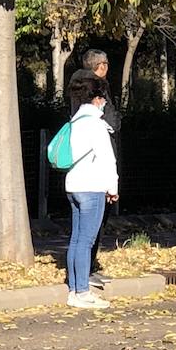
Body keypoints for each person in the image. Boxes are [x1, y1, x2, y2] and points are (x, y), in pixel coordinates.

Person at [64, 72, 118, 309]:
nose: (104, 101)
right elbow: (108, 159)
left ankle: (74, 288)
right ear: (97, 98)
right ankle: (83, 292)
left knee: (76, 240)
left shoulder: (74, 122)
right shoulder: (97, 124)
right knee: (87, 241)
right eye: (103, 97)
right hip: (92, 187)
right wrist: (112, 187)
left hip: (73, 185)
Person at [77, 49, 121, 286]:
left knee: (83, 227)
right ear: (101, 66)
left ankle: (86, 270)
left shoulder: (78, 87)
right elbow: (111, 122)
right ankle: (88, 271)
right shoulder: (96, 89)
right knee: (94, 222)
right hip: (95, 168)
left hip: (82, 170)